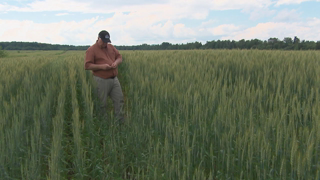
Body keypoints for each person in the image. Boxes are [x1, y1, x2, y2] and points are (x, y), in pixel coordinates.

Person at [85, 30, 124, 124]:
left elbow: (119, 57)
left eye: (107, 41)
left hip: (114, 79)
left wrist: (116, 63)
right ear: (98, 38)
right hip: (101, 80)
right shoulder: (91, 50)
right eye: (103, 41)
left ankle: (120, 123)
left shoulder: (110, 47)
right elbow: (87, 66)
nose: (105, 44)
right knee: (102, 104)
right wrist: (101, 67)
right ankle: (103, 124)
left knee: (119, 100)